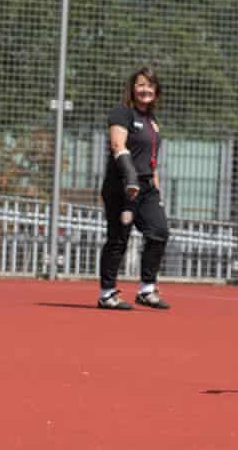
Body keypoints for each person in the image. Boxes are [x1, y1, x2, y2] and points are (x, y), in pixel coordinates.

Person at [97, 66, 171, 310]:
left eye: (150, 86)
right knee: (119, 239)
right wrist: (129, 177)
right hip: (122, 186)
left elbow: (152, 158)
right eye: (140, 85)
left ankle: (146, 289)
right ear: (132, 88)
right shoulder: (122, 113)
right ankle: (107, 293)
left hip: (147, 187)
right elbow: (118, 145)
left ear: (156, 91)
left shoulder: (152, 121)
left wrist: (156, 190)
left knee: (159, 231)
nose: (145, 90)